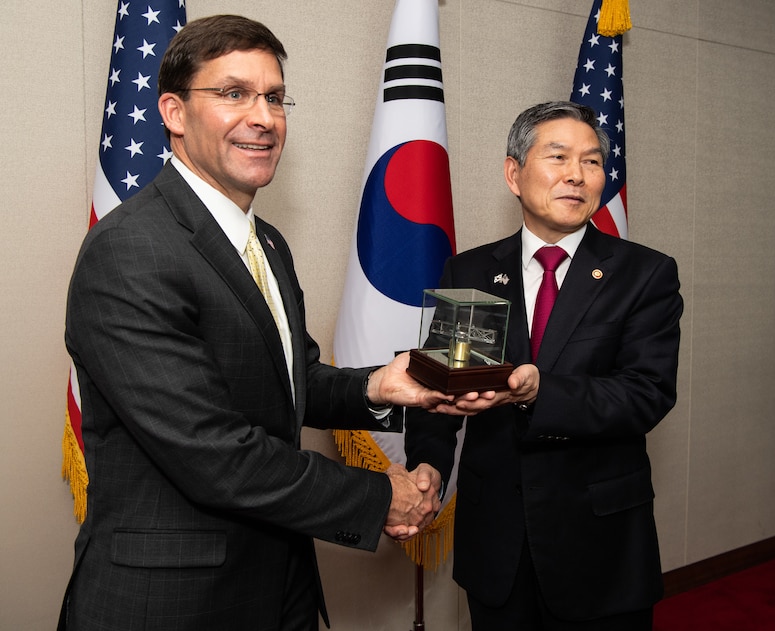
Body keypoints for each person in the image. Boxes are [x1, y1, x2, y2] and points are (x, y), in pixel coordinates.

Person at [58, 15, 495, 631]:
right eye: (234, 94)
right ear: (174, 113)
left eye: (274, 97)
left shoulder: (266, 242)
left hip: (279, 578)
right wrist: (380, 496)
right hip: (173, 603)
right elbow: (214, 455)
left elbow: (294, 381)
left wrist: (380, 386)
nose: (262, 116)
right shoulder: (132, 250)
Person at [405, 101, 683, 630]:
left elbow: (646, 394)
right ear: (515, 173)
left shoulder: (644, 274)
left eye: (592, 161)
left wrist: (539, 392)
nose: (577, 175)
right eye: (558, 157)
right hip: (496, 543)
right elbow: (439, 389)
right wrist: (429, 466)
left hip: (600, 546)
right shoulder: (469, 270)